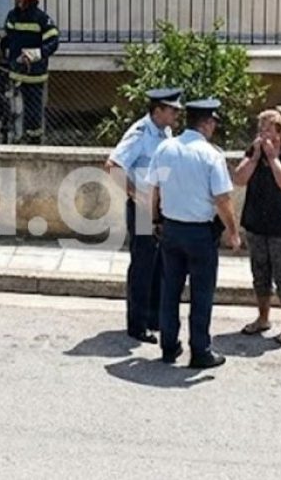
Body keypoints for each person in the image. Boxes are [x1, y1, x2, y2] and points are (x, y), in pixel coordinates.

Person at [147, 99, 241, 369]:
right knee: (201, 294)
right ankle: (200, 351)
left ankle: (168, 346)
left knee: (170, 291)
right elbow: (222, 199)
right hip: (200, 234)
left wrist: (154, 221)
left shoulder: (165, 148)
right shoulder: (211, 155)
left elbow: (153, 190)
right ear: (207, 123)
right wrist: (233, 233)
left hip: (171, 230)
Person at [106, 88, 183, 344]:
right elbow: (113, 166)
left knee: (159, 264)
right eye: (172, 109)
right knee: (143, 265)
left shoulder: (165, 132)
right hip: (142, 209)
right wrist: (135, 194)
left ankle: (154, 318)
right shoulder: (140, 133)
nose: (177, 113)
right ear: (158, 110)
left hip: (161, 207)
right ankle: (137, 325)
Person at [233, 106, 281, 346]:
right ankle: (263, 318)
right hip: (257, 224)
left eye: (268, 128)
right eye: (260, 128)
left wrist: (274, 158)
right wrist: (256, 156)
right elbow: (239, 179)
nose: (262, 133)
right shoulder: (255, 152)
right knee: (260, 274)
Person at [0, 0, 59, 143]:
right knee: (11, 110)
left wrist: (35, 54)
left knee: (33, 112)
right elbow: (6, 38)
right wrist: (3, 53)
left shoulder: (42, 19)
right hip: (15, 72)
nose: (17, 0)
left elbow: (53, 42)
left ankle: (34, 142)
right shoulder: (12, 16)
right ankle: (13, 138)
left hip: (35, 75)